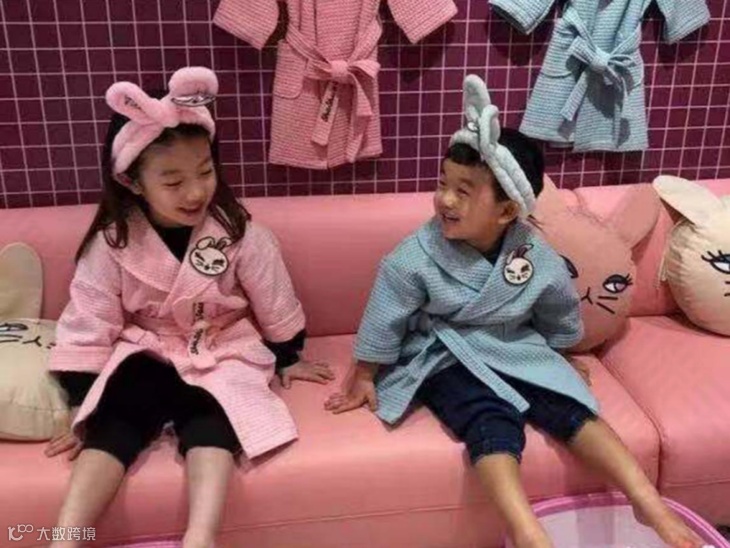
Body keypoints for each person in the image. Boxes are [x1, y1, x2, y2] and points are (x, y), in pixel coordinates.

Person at [325, 75, 703, 548]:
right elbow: (386, 312)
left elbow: (557, 304)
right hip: (446, 353)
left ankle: (646, 499)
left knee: (571, 406)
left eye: (464, 191)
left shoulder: (532, 253)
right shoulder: (414, 256)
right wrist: (365, 374)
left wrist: (562, 353)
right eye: (443, 183)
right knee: (488, 419)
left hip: (515, 344)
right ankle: (526, 531)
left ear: (507, 212)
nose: (445, 199)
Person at [45, 67, 334, 548]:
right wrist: (80, 398)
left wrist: (288, 355)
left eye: (204, 171)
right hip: (148, 349)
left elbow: (274, 296)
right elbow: (90, 318)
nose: (196, 191)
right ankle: (64, 538)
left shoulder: (240, 233)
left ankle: (201, 538)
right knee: (114, 422)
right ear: (133, 182)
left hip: (219, 349)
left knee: (215, 420)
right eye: (173, 180)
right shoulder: (113, 244)